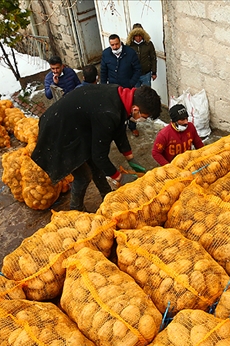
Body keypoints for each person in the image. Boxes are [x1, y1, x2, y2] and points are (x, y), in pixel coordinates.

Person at [32, 85, 162, 211]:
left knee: (96, 165)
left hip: (75, 125)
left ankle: (106, 195)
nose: (142, 120)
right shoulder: (108, 113)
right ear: (135, 109)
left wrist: (130, 158)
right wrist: (119, 177)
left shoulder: (121, 97)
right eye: (144, 117)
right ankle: (76, 209)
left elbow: (119, 129)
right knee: (84, 176)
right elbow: (99, 155)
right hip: (58, 132)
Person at [127, 23, 157, 88]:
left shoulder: (148, 44)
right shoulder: (128, 45)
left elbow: (153, 58)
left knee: (147, 93)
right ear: (133, 36)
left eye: (140, 35)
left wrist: (154, 72)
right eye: (136, 36)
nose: (138, 38)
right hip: (134, 75)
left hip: (146, 73)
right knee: (136, 93)